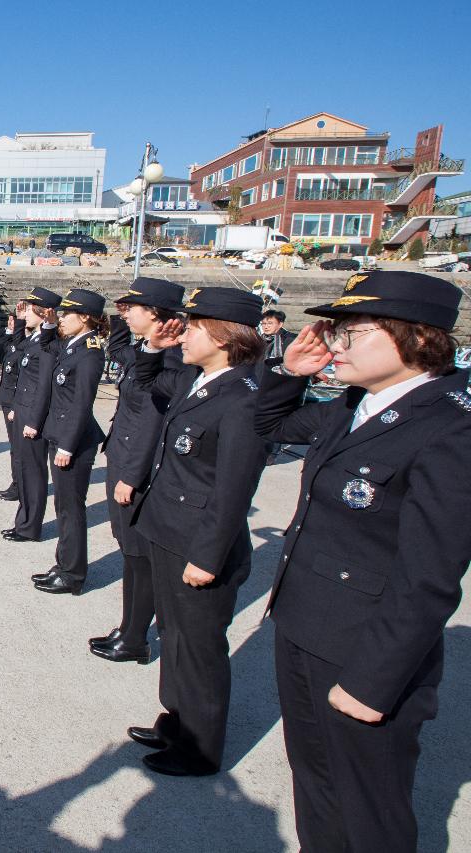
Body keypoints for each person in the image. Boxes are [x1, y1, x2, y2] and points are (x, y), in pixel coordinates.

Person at [254, 271, 471, 852]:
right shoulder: (354, 404)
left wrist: (374, 684)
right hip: (304, 624)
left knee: (369, 805)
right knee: (317, 781)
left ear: (417, 338)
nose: (334, 344)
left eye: (353, 331)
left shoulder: (451, 427)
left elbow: (428, 577)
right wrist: (287, 373)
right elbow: (265, 427)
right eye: (335, 329)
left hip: (362, 647)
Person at [125, 287, 267, 777]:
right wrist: (154, 349)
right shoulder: (198, 378)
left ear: (226, 338)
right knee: (174, 633)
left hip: (199, 543)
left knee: (200, 645)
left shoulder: (246, 398)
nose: (182, 333)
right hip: (168, 528)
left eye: (194, 328)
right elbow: (146, 387)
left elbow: (232, 490)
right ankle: (177, 720)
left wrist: (208, 556)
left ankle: (200, 748)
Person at [89, 278, 184, 664]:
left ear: (157, 315)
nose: (126, 313)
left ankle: (134, 637)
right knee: (129, 552)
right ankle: (130, 626)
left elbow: (152, 420)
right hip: (123, 457)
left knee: (138, 555)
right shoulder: (146, 352)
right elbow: (122, 355)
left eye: (135, 308)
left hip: (135, 467)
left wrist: (131, 474)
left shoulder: (171, 358)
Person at [34, 288, 108, 595]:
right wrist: (50, 325)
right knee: (62, 505)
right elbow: (47, 347)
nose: (62, 318)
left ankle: (73, 573)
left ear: (86, 318)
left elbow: (81, 404)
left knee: (71, 508)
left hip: (74, 442)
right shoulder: (72, 345)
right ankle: (64, 563)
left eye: (68, 315)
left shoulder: (90, 352)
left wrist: (66, 445)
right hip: (61, 434)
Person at [1, 287, 62, 542]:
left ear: (42, 312)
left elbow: (43, 386)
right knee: (25, 472)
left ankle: (29, 526)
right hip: (23, 411)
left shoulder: (46, 345)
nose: (25, 312)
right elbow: (17, 350)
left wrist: (34, 421)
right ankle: (23, 522)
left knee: (34, 474)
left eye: (29, 309)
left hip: (32, 418)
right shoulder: (35, 340)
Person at [0, 300, 31, 502]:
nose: (12, 324)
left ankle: (20, 485)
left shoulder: (28, 344)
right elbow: (8, 347)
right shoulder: (17, 343)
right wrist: (12, 328)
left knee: (19, 447)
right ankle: (17, 482)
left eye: (16, 322)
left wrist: (20, 325)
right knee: (14, 447)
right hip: (8, 398)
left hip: (16, 400)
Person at [258, 308, 298, 465]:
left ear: (280, 323)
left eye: (270, 323)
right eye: (264, 323)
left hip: (279, 384)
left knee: (276, 419)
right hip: (260, 382)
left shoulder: (289, 340)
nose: (266, 326)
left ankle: (272, 453)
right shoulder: (259, 339)